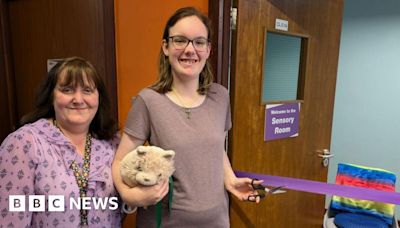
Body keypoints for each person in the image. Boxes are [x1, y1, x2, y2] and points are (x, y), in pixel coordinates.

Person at [112, 7, 262, 227]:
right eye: (180, 40)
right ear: (166, 47)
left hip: (216, 221)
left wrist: (230, 180)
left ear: (208, 49)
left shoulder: (220, 96)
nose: (190, 50)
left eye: (199, 42)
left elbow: (215, 148)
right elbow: (119, 162)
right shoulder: (148, 101)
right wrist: (130, 195)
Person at [0, 57, 122, 227]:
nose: (78, 99)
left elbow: (122, 205)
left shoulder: (113, 143)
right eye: (67, 90)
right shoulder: (24, 143)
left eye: (87, 90)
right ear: (51, 96)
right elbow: (11, 218)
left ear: (98, 98)